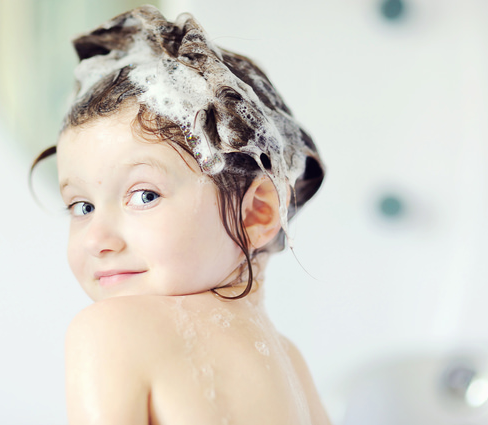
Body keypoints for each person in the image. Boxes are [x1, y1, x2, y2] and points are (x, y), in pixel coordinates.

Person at [32, 5, 328, 424]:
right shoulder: (288, 363)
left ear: (257, 212)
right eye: (82, 207)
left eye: (145, 195)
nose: (97, 239)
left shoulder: (112, 330)